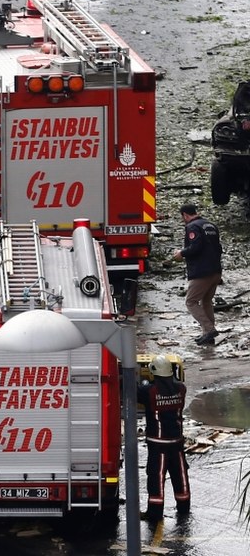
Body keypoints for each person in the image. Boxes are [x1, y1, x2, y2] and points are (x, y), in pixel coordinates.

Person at [138, 355, 190, 522]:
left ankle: (154, 513)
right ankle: (184, 507)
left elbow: (134, 392)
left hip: (158, 443)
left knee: (156, 476)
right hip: (176, 441)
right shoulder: (181, 388)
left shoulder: (149, 391)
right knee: (180, 474)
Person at [172, 204, 223, 345]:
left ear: (185, 215)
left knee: (191, 301)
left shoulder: (192, 227)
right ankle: (208, 334)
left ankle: (209, 329)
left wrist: (181, 253)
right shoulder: (210, 225)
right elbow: (218, 248)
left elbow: (196, 247)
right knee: (206, 301)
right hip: (215, 270)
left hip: (202, 272)